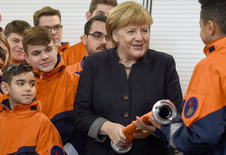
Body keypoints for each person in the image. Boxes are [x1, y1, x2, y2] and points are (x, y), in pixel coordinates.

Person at [73, 1, 183, 155]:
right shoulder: (94, 63)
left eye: (144, 30)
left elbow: (177, 114)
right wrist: (108, 128)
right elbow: (80, 114)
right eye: (131, 31)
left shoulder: (164, 63)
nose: (140, 37)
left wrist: (155, 130)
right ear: (114, 35)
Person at [146, 0, 226, 154]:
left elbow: (202, 136)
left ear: (210, 27)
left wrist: (162, 127)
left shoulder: (212, 66)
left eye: (199, 26)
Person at [23, 26, 84, 154]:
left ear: (56, 48)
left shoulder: (77, 82)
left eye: (48, 49)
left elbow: (85, 127)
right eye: (36, 53)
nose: (44, 56)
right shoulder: (18, 88)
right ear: (26, 57)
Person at [0, 61, 64, 155]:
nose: (28, 88)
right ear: (5, 88)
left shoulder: (42, 123)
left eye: (32, 84)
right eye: (21, 83)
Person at [62, 0, 117, 66]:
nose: (105, 18)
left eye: (110, 16)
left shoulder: (121, 54)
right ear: (88, 16)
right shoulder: (68, 54)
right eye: (100, 14)